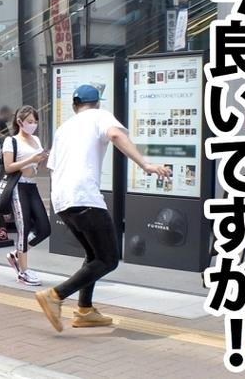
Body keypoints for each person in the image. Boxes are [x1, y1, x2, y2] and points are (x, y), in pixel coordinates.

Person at [36, 85, 169, 332]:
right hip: (85, 197)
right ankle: (55, 295)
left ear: (75, 106)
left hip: (62, 201)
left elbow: (52, 167)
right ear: (97, 103)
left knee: (93, 255)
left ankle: (85, 311)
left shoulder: (64, 128)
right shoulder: (99, 115)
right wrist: (145, 164)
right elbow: (116, 135)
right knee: (108, 259)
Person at [2, 105, 51, 286]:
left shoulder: (36, 140)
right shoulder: (11, 141)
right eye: (30, 121)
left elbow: (39, 166)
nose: (33, 125)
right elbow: (8, 167)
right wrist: (31, 159)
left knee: (44, 228)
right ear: (19, 121)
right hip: (18, 186)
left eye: (35, 121)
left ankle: (16, 254)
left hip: (32, 185)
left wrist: (44, 159)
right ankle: (23, 272)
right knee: (23, 229)